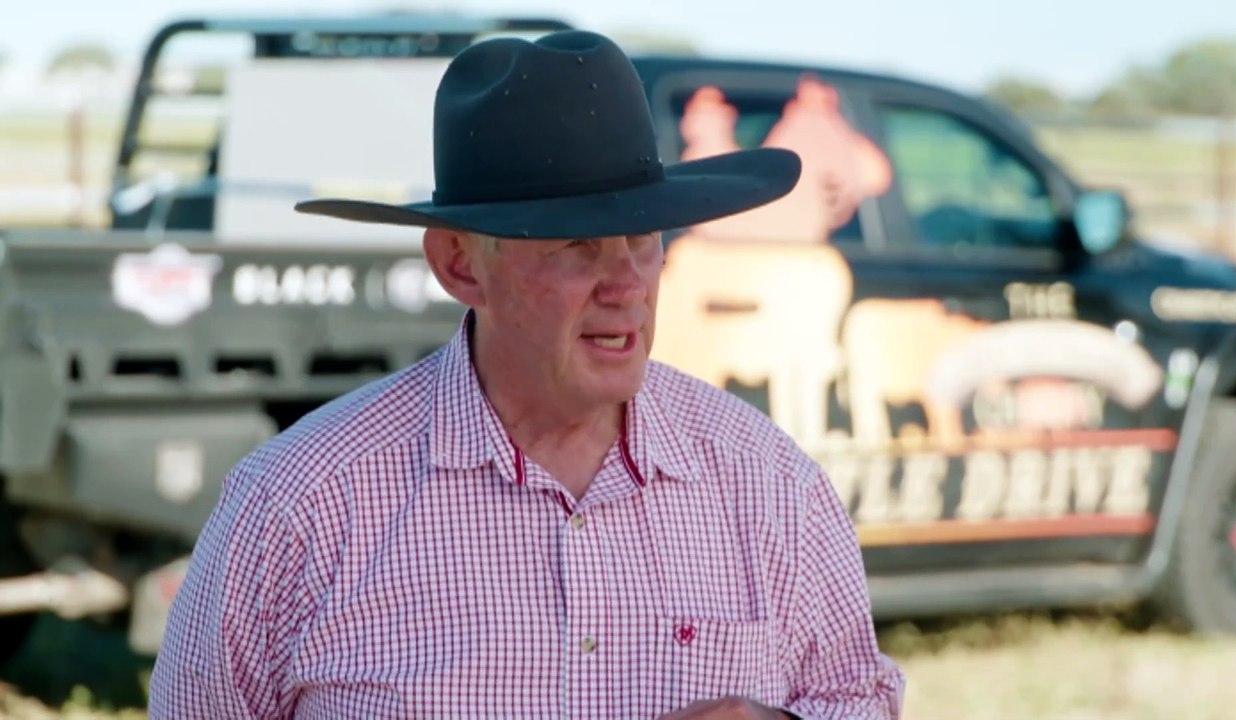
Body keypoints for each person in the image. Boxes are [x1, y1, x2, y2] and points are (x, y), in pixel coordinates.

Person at [148, 28, 906, 719]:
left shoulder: (768, 484)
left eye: (643, 239)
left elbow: (856, 699)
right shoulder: (299, 504)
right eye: (576, 245)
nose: (627, 285)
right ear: (458, 264)